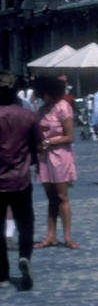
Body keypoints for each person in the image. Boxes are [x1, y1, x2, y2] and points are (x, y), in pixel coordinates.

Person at [0, 71, 39, 291]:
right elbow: (36, 147)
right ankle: (24, 256)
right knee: (26, 224)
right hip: (21, 180)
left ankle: (3, 275)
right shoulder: (28, 116)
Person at [33, 76, 77, 249]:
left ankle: (67, 236)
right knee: (50, 198)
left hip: (60, 156)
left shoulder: (63, 107)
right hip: (44, 157)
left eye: (42, 94)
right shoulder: (42, 109)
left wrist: (49, 141)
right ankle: (50, 236)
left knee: (62, 196)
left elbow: (70, 136)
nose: (40, 97)